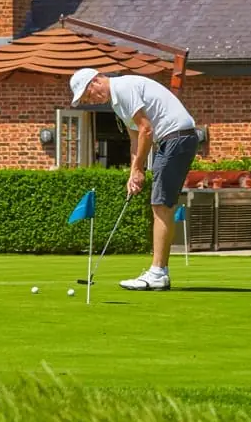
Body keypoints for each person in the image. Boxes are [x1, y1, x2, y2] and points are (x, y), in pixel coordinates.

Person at [69, 68, 198, 291]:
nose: (91, 100)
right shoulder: (118, 103)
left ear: (95, 81)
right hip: (169, 141)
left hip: (176, 138)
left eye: (88, 95)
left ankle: (158, 273)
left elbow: (146, 129)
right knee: (160, 203)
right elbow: (135, 140)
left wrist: (139, 169)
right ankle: (159, 272)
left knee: (161, 204)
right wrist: (133, 173)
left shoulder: (124, 88)